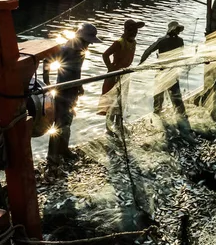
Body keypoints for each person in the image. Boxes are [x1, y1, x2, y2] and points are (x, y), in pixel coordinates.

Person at [44, 23, 101, 164]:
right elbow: (46, 61)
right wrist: (48, 84)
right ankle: (52, 155)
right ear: (80, 38)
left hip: (73, 91)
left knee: (68, 121)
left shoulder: (80, 51)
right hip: (62, 91)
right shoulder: (66, 49)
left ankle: (64, 149)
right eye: (86, 42)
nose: (88, 45)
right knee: (59, 123)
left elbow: (77, 70)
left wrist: (80, 85)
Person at [98, 19, 145, 130]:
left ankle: (119, 125)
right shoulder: (119, 43)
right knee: (111, 102)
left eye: (136, 31)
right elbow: (105, 55)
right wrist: (111, 69)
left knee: (121, 101)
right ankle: (109, 128)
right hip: (114, 75)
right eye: (132, 30)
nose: (135, 33)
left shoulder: (133, 42)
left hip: (125, 74)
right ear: (127, 30)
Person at [140, 21, 186, 115]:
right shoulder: (179, 41)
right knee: (175, 95)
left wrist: (141, 62)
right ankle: (181, 114)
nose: (178, 32)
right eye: (177, 30)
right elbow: (181, 55)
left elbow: (148, 51)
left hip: (163, 71)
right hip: (172, 71)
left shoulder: (162, 40)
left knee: (159, 94)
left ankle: (157, 113)